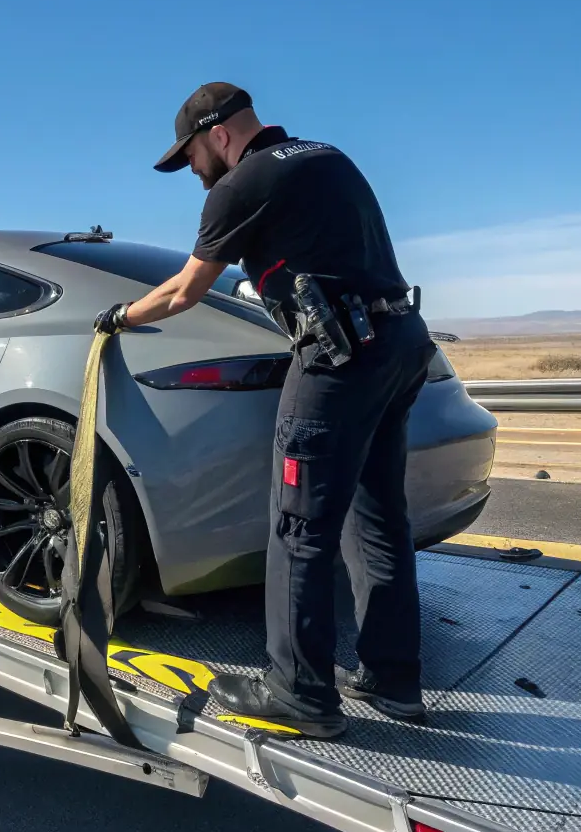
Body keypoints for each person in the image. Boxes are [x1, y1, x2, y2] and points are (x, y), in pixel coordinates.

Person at [93, 82, 436, 739]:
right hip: (399, 345)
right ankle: (392, 680)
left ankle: (299, 693)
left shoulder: (240, 184)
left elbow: (186, 292)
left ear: (216, 134)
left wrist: (117, 319)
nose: (193, 172)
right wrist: (134, 304)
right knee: (377, 518)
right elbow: (191, 275)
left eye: (190, 155)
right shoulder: (324, 157)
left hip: (338, 359)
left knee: (297, 528)